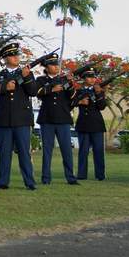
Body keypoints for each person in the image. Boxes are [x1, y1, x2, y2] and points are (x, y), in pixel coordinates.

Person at [0, 43, 37, 190]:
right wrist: (5, 86)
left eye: (17, 54)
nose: (16, 57)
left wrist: (26, 77)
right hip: (4, 119)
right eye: (12, 55)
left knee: (24, 152)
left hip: (22, 119)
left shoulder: (27, 73)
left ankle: (29, 182)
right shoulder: (0, 75)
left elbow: (33, 91)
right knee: (4, 153)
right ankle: (3, 182)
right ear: (5, 58)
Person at [35, 54, 80, 185]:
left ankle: (70, 177)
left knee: (67, 150)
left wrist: (70, 83)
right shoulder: (41, 80)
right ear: (46, 67)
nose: (56, 67)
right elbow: (37, 92)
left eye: (57, 65)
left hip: (63, 118)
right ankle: (46, 178)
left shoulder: (64, 80)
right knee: (47, 151)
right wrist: (51, 88)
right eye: (53, 65)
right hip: (47, 118)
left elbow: (73, 97)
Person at [72, 67, 107, 181]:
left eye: (93, 77)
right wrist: (80, 101)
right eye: (89, 77)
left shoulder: (99, 90)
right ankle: (82, 175)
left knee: (98, 151)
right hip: (83, 124)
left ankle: (100, 175)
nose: (92, 79)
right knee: (83, 151)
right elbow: (71, 103)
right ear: (84, 78)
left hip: (96, 124)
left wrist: (98, 93)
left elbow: (102, 106)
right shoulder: (79, 91)